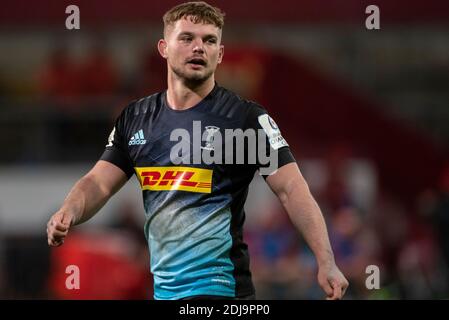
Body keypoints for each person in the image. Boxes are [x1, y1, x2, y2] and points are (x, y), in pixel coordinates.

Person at [46, 1, 348, 300]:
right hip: (163, 293)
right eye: (187, 38)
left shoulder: (246, 119)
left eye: (209, 40)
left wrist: (326, 260)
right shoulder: (135, 118)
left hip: (223, 292)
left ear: (220, 54)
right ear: (164, 48)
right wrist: (68, 211)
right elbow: (98, 182)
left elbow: (292, 189)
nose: (199, 47)